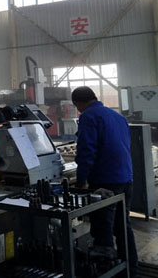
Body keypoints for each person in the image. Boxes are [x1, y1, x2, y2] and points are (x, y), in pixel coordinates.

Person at [72, 86, 138, 276]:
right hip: (125, 178)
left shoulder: (88, 116)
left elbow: (86, 151)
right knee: (123, 226)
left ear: (78, 103)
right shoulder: (117, 116)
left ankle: (107, 270)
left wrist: (81, 180)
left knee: (103, 228)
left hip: (105, 181)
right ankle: (130, 270)